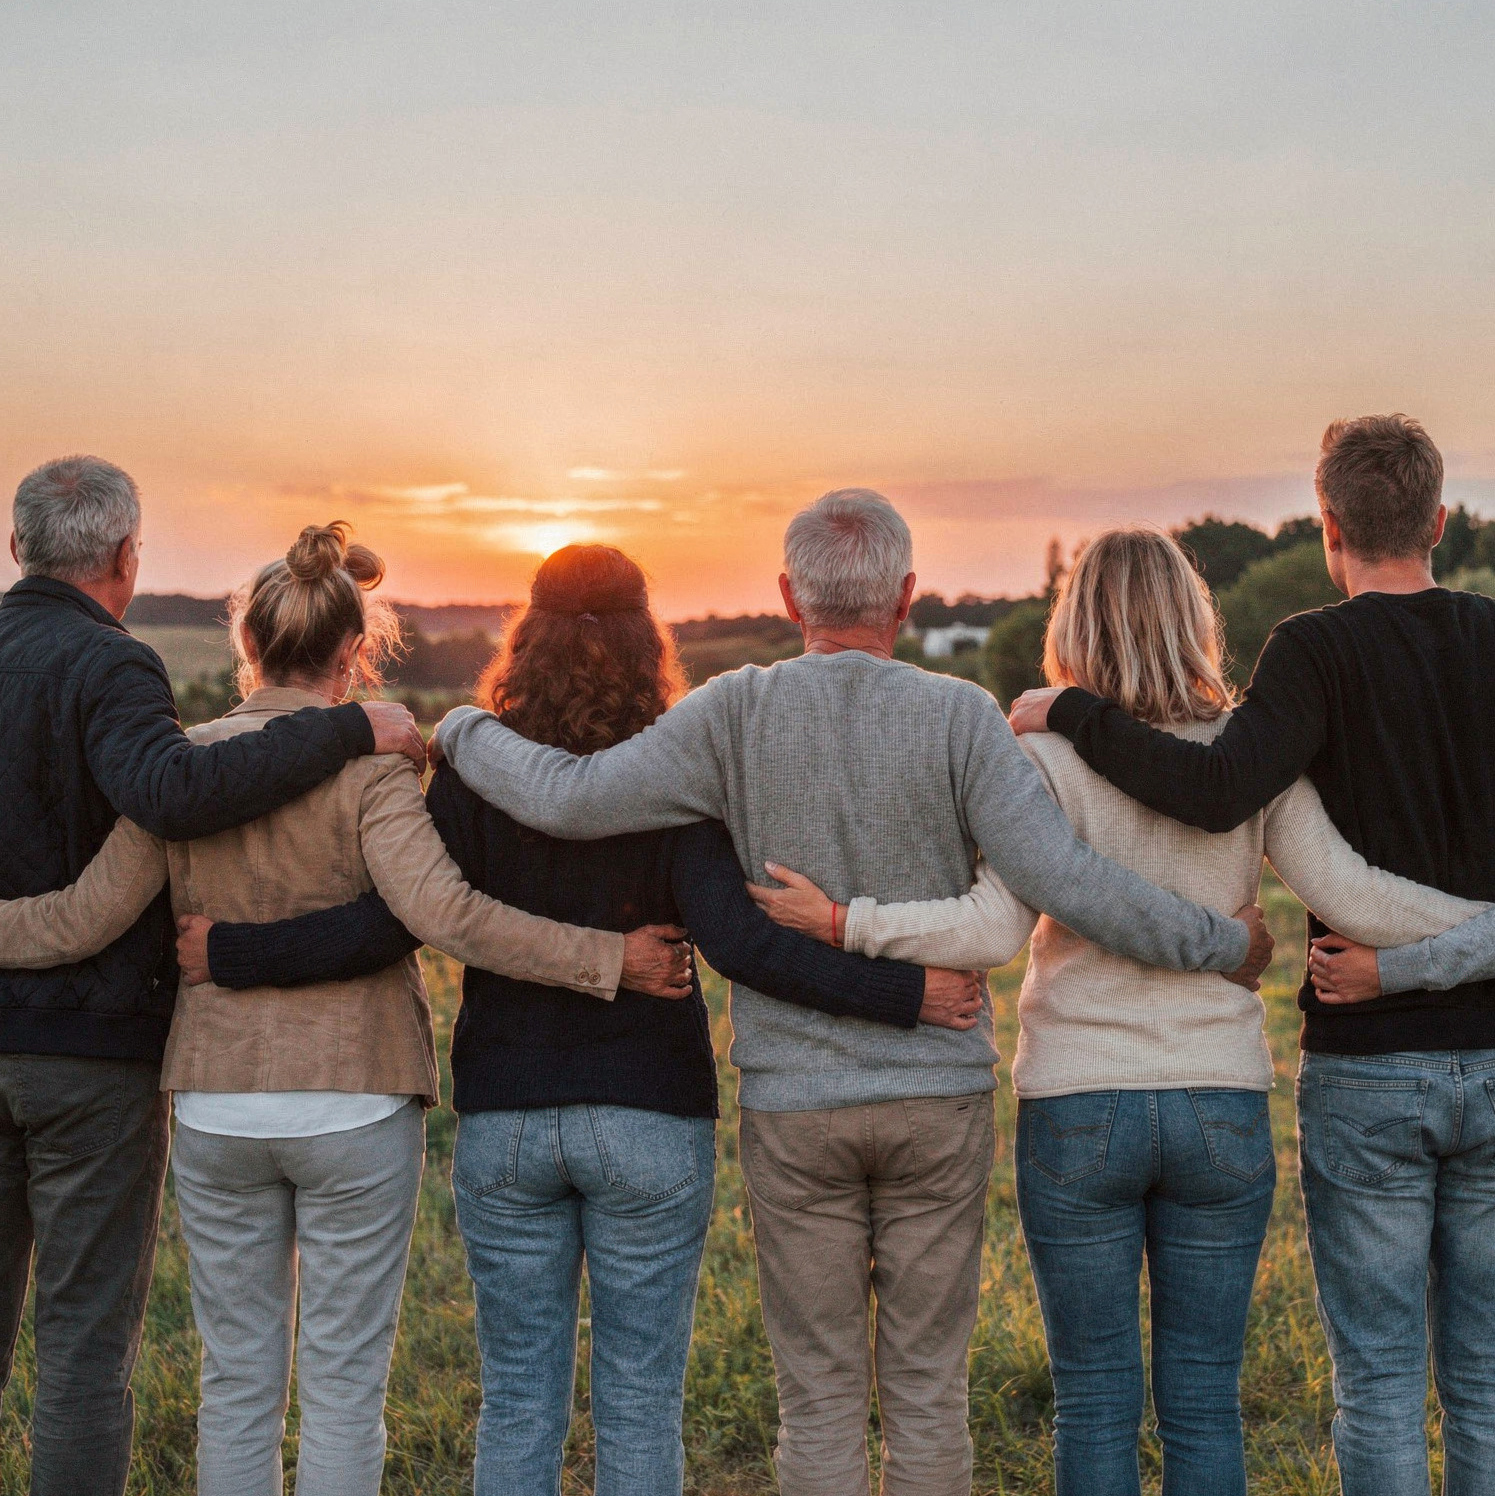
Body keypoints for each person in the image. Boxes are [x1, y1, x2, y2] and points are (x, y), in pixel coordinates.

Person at [422, 490, 1273, 1496]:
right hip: (934, 1096)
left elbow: (567, 798)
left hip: (794, 1101)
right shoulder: (959, 715)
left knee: (818, 1393)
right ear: (906, 596)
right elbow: (1067, 881)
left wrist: (464, 730)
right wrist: (1219, 940)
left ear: (790, 595)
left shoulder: (732, 709)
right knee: (926, 1388)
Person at [163, 543, 983, 1496]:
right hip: (650, 1112)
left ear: (526, 637)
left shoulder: (472, 768)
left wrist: (231, 953)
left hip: (508, 1111)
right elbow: (738, 943)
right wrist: (906, 991)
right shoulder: (677, 770)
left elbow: (417, 916)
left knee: (516, 1395)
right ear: (647, 639)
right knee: (639, 1398)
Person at [748, 525, 1490, 1496]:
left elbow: (988, 928)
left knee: (1094, 1396)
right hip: (1218, 1098)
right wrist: (1477, 927)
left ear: (1072, 623)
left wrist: (849, 922)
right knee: (1204, 1399)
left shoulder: (1041, 758)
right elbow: (1352, 895)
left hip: (1077, 1099)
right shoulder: (1253, 756)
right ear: (1194, 620)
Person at [0, 523, 694, 1495]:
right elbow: (445, 914)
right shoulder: (374, 766)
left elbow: (82, 917)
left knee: (235, 1381)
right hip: (358, 1099)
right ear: (355, 646)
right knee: (342, 1384)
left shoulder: (183, 768)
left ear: (248, 641)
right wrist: (608, 957)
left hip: (216, 1095)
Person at [1009, 416, 1495, 1496]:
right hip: (1254, 1089)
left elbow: (1207, 796)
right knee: (1244, 1397)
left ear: (1327, 525)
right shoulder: (1459, 645)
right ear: (1440, 520)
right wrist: (1477, 935)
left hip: (1177, 1082)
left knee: (1335, 1381)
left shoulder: (1301, 657)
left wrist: (1073, 715)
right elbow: (1338, 885)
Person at [0, 457, 424, 1496]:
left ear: (17, 548)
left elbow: (108, 887)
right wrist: (345, 726)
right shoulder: (113, 665)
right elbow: (174, 788)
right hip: (91, 1054)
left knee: (224, 1376)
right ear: (127, 553)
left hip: (187, 1081)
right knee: (83, 1351)